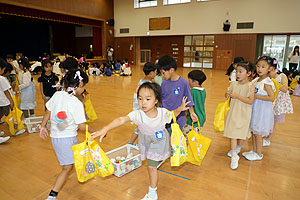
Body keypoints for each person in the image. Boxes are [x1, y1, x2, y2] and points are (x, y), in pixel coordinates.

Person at [90, 82, 191, 200]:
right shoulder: (137, 114)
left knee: (151, 167)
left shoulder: (163, 112)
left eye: (148, 99)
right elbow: (122, 119)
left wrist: (179, 109)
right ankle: (158, 161)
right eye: (140, 98)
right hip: (145, 141)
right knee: (151, 163)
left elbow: (172, 114)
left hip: (159, 142)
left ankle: (152, 193)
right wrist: (105, 128)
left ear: (156, 100)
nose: (143, 102)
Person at [40, 69, 89, 200]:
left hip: (56, 138)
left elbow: (47, 112)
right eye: (84, 87)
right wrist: (94, 131)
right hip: (66, 139)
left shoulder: (57, 95)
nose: (84, 90)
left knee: (72, 160)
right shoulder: (76, 103)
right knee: (67, 168)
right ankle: (52, 195)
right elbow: (82, 127)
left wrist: (42, 126)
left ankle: (82, 172)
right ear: (79, 85)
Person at [242, 56, 275, 161]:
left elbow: (271, 97)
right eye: (258, 66)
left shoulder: (267, 82)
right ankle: (254, 150)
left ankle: (259, 154)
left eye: (263, 67)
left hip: (262, 111)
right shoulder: (257, 79)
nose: (260, 69)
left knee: (258, 133)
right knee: (254, 131)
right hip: (255, 108)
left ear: (269, 68)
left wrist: (256, 96)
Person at [223, 61, 255, 169]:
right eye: (237, 71)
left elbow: (250, 101)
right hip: (233, 111)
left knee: (241, 134)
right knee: (233, 134)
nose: (237, 74)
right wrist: (228, 94)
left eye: (241, 71)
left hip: (244, 113)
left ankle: (238, 148)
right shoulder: (233, 84)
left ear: (249, 73)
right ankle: (234, 156)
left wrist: (237, 96)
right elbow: (227, 93)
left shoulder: (250, 86)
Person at [158, 55, 198, 131]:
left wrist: (192, 112)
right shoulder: (164, 83)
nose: (162, 76)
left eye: (163, 73)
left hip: (178, 120)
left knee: (176, 141)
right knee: (165, 140)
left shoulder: (183, 83)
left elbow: (188, 99)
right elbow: (161, 99)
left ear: (171, 70)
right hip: (165, 118)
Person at [264, 59, 293, 146]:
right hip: (270, 100)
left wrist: (274, 82)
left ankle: (268, 138)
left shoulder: (282, 76)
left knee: (273, 120)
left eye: (269, 72)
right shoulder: (267, 78)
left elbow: (284, 89)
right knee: (267, 118)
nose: (268, 74)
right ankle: (264, 133)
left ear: (273, 69)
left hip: (278, 102)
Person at [129, 62, 157, 145]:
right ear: (151, 73)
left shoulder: (141, 81)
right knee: (144, 128)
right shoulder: (149, 86)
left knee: (139, 128)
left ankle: (130, 143)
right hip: (144, 110)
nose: (156, 74)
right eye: (155, 72)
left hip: (138, 109)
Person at [183, 69, 207, 135]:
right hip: (201, 117)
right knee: (197, 136)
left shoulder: (192, 91)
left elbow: (188, 103)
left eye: (189, 80)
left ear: (195, 82)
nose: (188, 82)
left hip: (193, 118)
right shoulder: (203, 91)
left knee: (188, 137)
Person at [0, 58, 13, 143]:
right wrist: (11, 101)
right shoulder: (1, 78)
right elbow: (6, 91)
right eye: (3, 69)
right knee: (6, 113)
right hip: (4, 102)